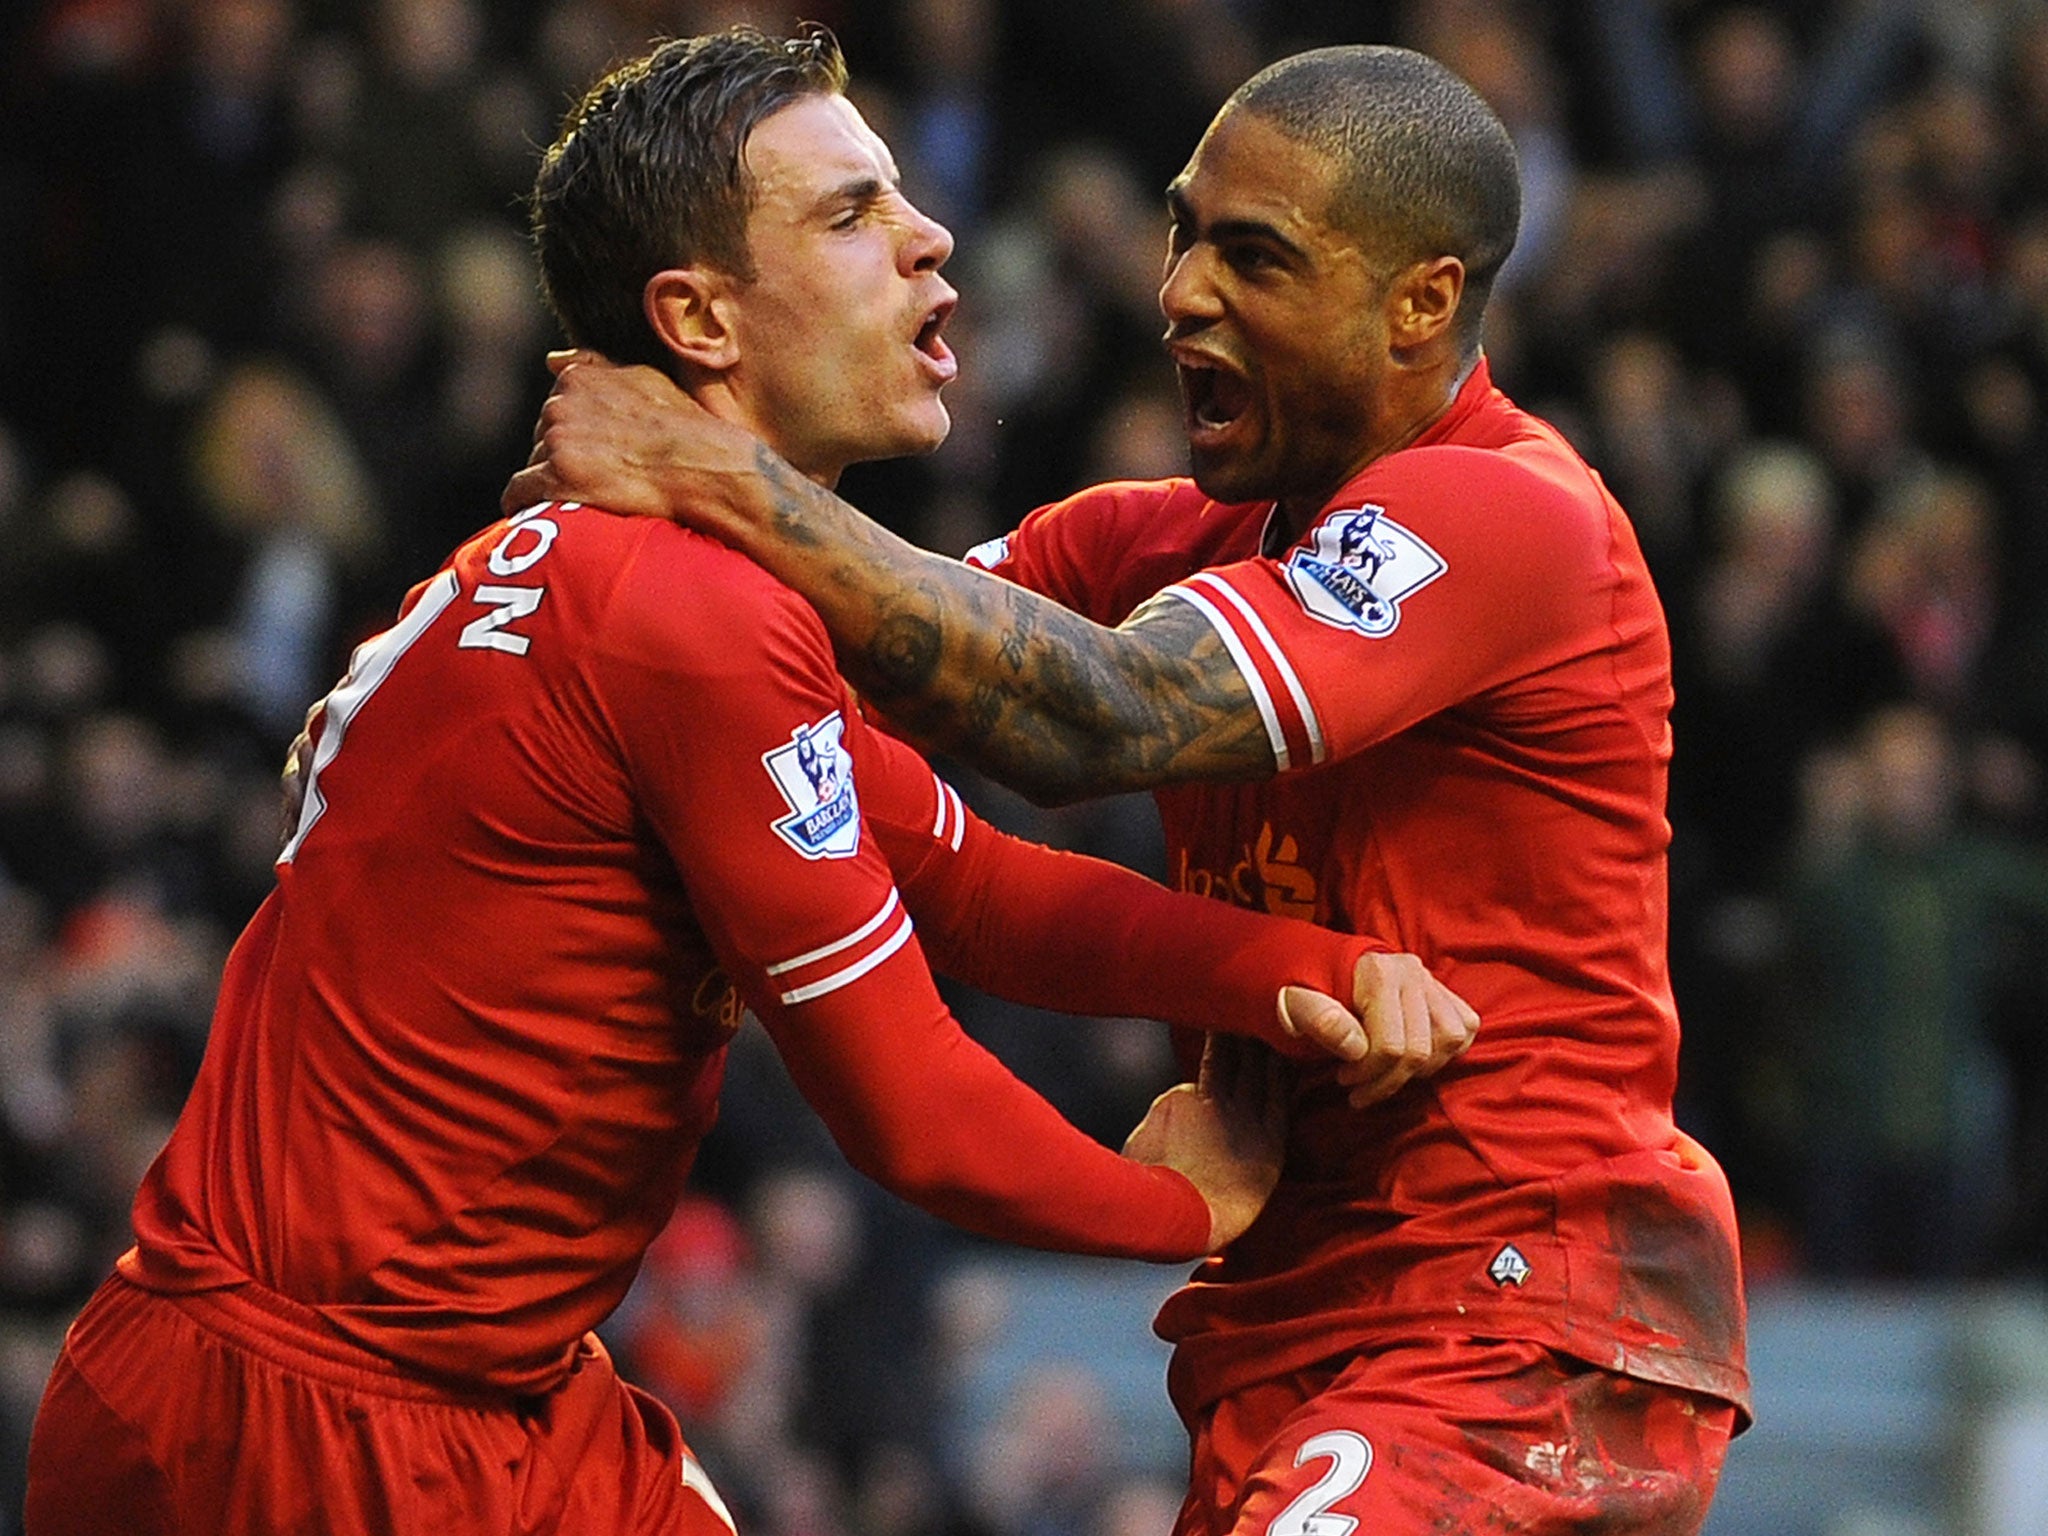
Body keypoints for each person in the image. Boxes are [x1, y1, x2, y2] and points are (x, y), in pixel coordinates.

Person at [22, 30, 1482, 1536]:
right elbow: (909, 1108)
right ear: (700, 317)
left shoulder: (634, 581)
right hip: (305, 1432)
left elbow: (976, 887)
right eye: (851, 215)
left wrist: (1327, 971)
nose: (929, 241)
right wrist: (1188, 1208)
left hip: (480, 1391)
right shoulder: (684, 619)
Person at [507, 41, 1753, 1536]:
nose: (1180, 293)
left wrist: (716, 476)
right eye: (1182, 231)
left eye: (1254, 257)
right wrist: (488, 638)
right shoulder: (1163, 545)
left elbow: (1099, 709)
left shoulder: (1509, 517)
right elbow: (777, 671)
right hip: (1298, 1327)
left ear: (1420, 302)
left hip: (1517, 1307)